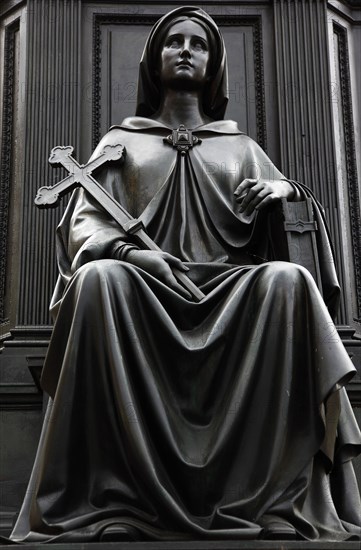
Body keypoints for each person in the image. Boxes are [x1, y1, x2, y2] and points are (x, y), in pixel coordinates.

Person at [11, 6, 361, 543]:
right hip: (144, 287)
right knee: (100, 280)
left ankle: (277, 487)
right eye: (174, 42)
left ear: (213, 63)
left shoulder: (240, 148)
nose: (185, 50)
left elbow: (289, 236)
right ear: (154, 60)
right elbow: (82, 229)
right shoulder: (120, 142)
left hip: (223, 287)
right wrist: (133, 256)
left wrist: (285, 194)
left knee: (290, 284)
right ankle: (103, 485)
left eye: (198, 44)